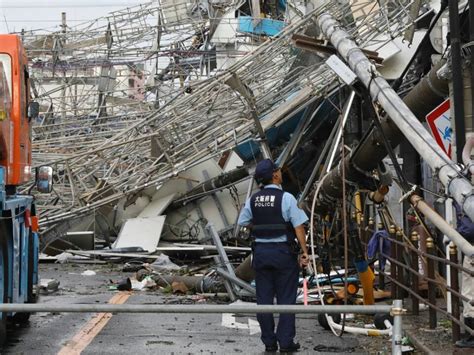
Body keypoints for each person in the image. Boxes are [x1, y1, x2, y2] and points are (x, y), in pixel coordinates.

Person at [238, 159, 309, 353]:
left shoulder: (253, 200)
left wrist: (261, 226)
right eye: (278, 171)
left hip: (261, 254)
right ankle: (286, 342)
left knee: (264, 300)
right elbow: (298, 226)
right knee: (286, 298)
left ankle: (269, 342)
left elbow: (243, 221)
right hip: (283, 254)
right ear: (275, 175)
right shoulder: (286, 198)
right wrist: (304, 252)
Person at [454, 203, 474, 348]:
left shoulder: (467, 198)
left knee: (469, 292)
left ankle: (471, 335)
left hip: (471, 249)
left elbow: (469, 229)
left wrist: (454, 233)